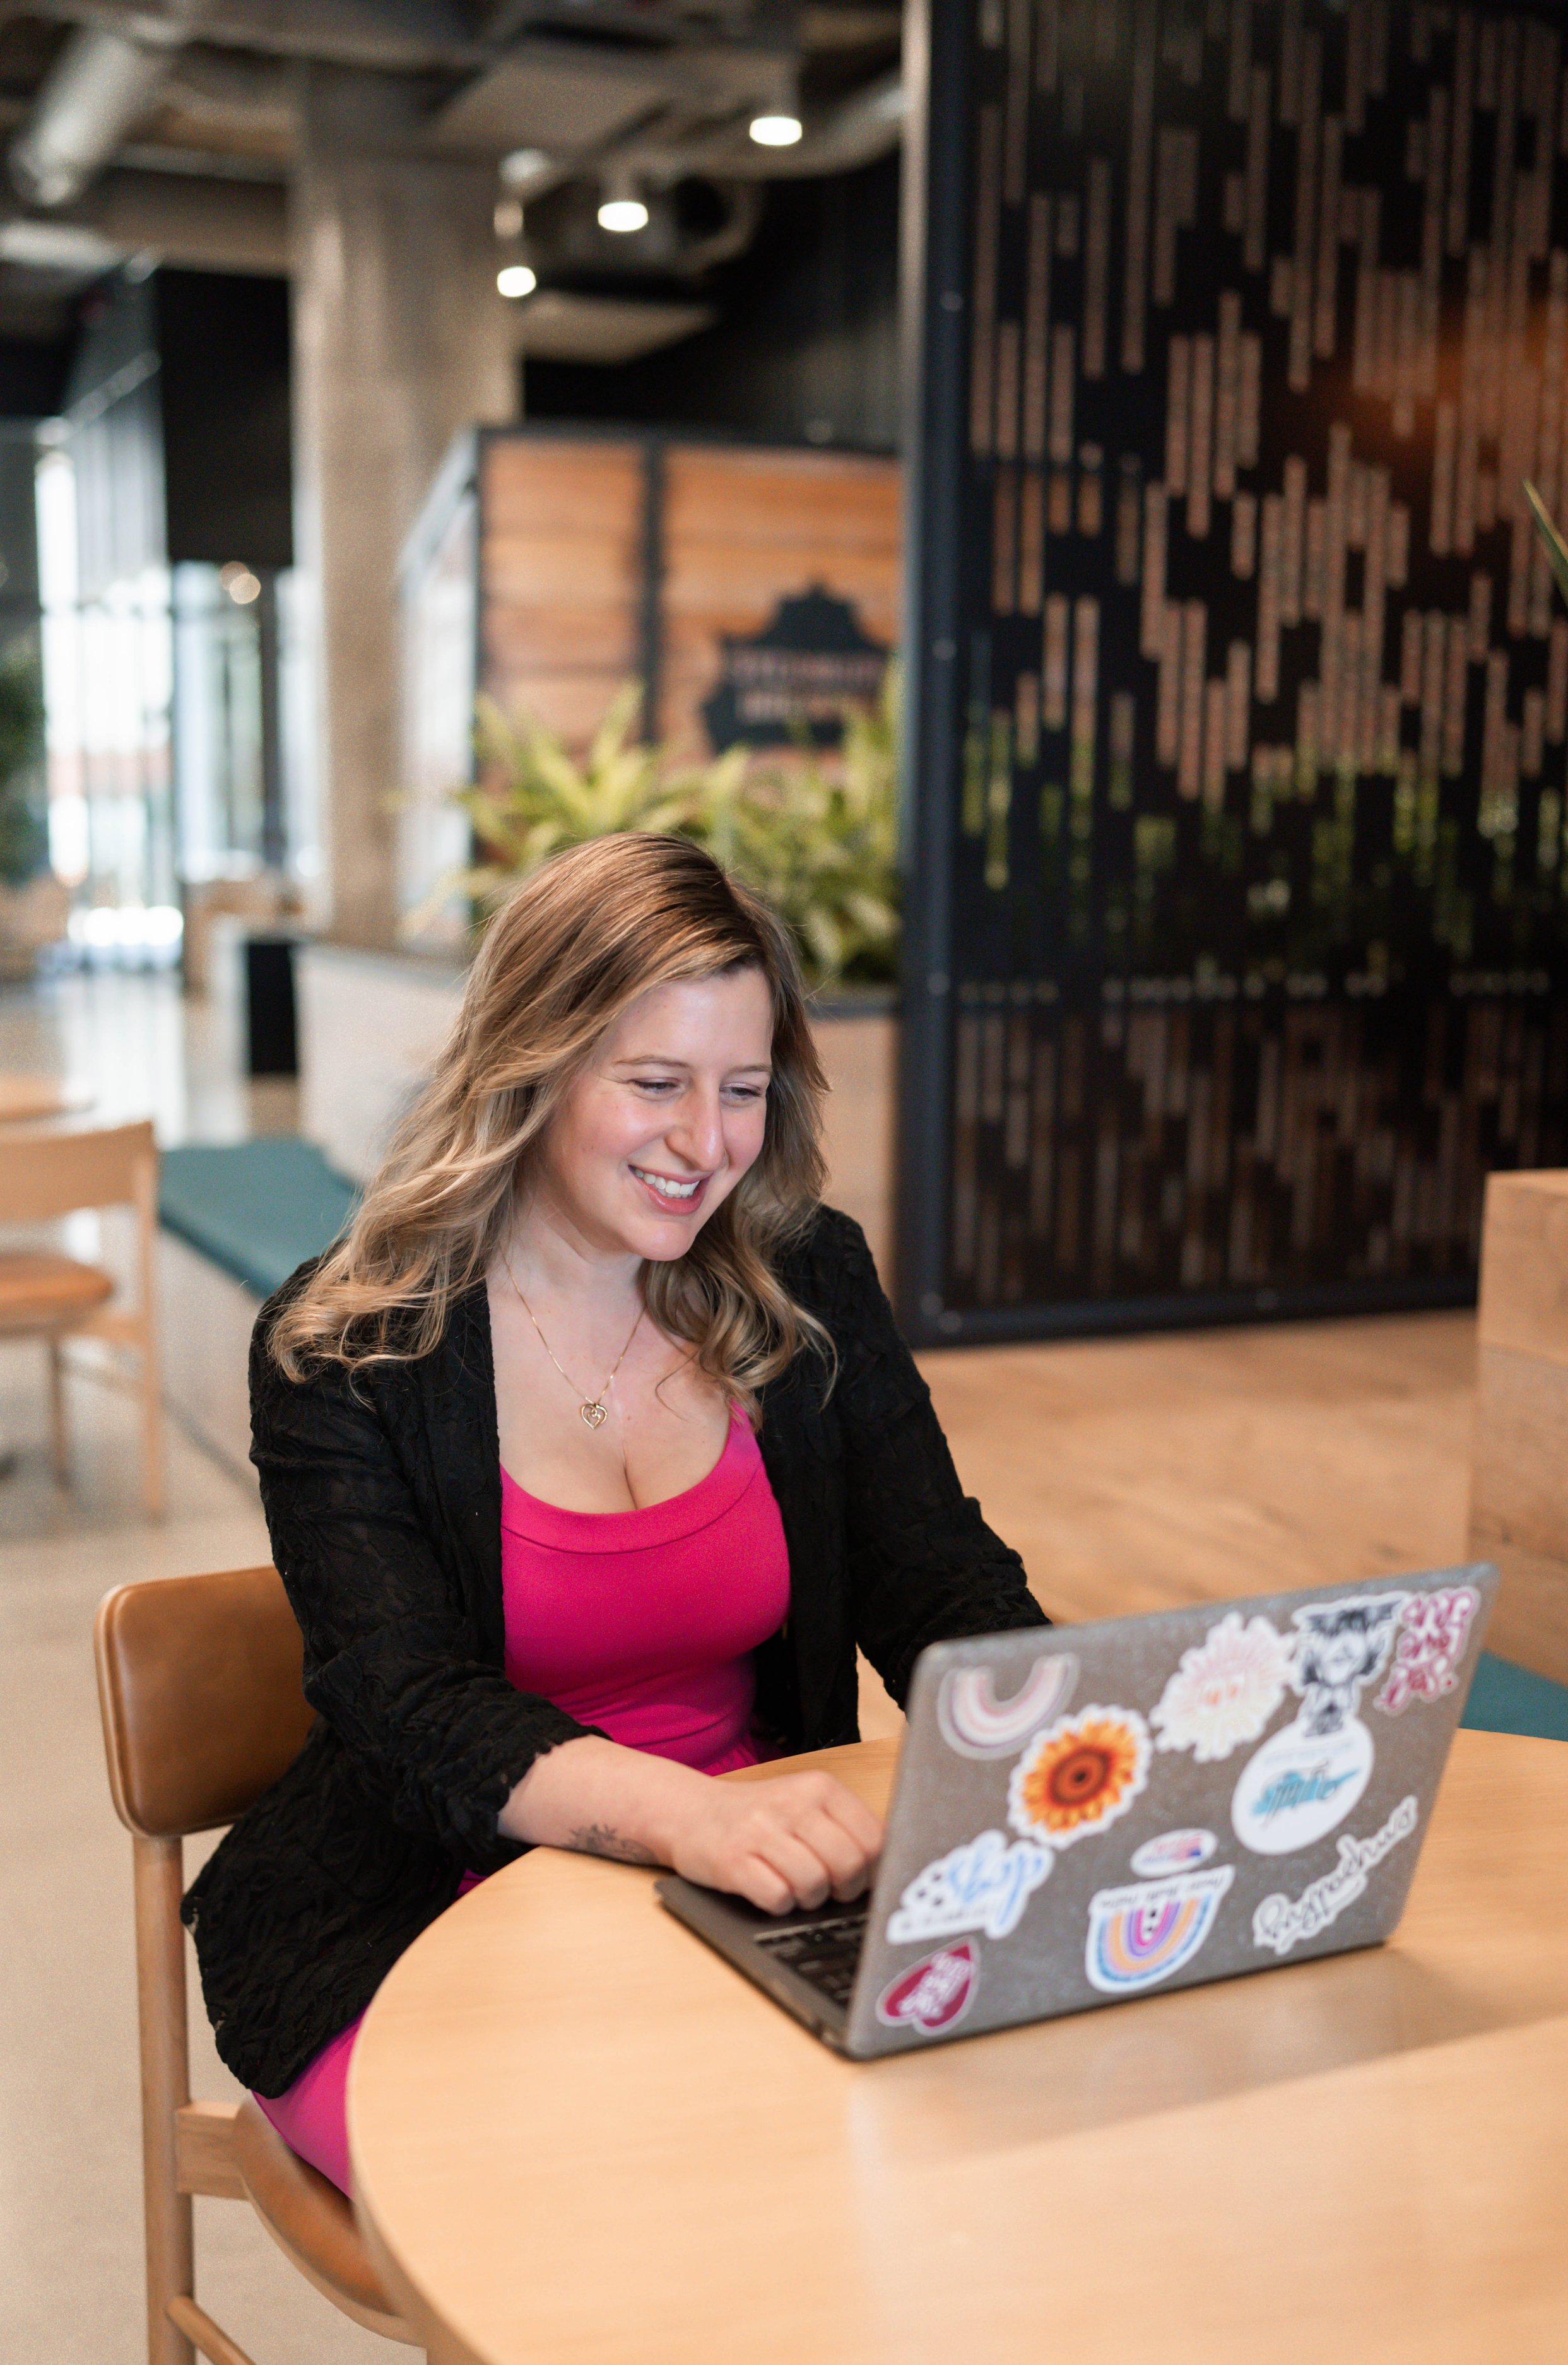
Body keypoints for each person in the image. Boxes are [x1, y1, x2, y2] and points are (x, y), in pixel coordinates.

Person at [184, 833, 1046, 2195]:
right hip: (422, 1906)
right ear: (530, 1061)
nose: (705, 1144)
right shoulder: (348, 1343)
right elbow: (404, 1704)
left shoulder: (803, 1276)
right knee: (633, 2195)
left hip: (740, 1885)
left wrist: (1073, 1742)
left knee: (977, 2136)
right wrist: (680, 1818)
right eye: (654, 1083)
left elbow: (934, 1574)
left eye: (743, 1088)